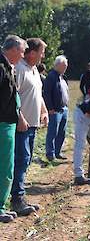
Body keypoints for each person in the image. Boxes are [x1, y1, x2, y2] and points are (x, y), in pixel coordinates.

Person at [11, 38, 49, 215]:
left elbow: (38, 94)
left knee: (26, 160)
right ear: (32, 53)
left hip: (32, 125)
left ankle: (20, 195)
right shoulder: (19, 68)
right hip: (21, 126)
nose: (43, 56)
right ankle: (16, 200)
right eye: (42, 52)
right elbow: (12, 97)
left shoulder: (33, 70)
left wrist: (44, 111)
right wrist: (20, 118)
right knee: (21, 160)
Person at [0, 35, 27, 223]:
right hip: (2, 124)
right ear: (14, 49)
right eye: (22, 51)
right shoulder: (1, 68)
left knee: (6, 168)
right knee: (5, 168)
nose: (23, 55)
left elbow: (12, 97)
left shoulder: (8, 67)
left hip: (8, 123)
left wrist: (19, 116)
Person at [43, 55, 69, 161]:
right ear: (57, 65)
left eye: (66, 66)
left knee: (62, 132)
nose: (65, 68)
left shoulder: (62, 77)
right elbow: (46, 93)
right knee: (53, 132)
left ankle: (57, 152)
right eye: (64, 66)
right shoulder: (51, 76)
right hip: (55, 110)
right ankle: (50, 154)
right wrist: (50, 108)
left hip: (64, 109)